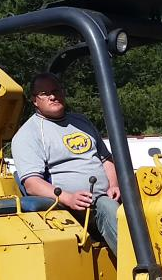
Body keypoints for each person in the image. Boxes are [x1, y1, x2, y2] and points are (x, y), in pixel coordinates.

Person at [10, 72, 121, 251]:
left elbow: (106, 159)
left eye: (55, 91)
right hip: (74, 207)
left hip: (107, 197)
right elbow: (32, 184)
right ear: (34, 100)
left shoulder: (81, 122)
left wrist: (114, 185)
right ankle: (139, 265)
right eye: (45, 94)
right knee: (110, 210)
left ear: (63, 92)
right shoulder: (28, 134)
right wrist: (69, 198)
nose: (52, 96)